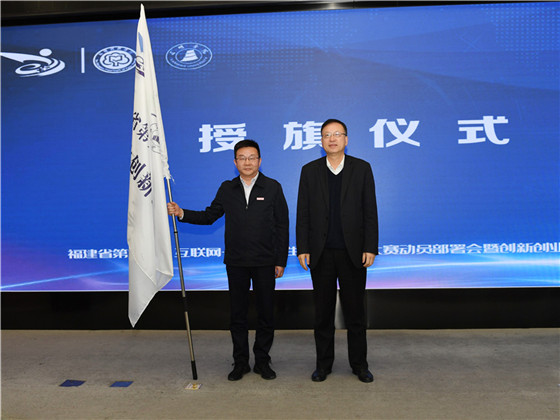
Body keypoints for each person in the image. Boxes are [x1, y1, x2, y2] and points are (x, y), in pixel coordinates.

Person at [167, 139, 289, 381]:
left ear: (260, 161)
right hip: (236, 262)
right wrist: (182, 213)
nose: (247, 162)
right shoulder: (227, 188)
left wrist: (280, 260)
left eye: (252, 157)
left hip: (265, 261)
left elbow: (282, 226)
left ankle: (262, 361)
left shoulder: (273, 187)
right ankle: (240, 362)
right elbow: (209, 216)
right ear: (235, 162)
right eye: (242, 158)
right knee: (238, 315)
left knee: (266, 314)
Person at [296, 118, 379, 383]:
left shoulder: (361, 168)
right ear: (321, 141)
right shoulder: (309, 171)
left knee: (356, 313)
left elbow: (370, 211)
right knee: (322, 314)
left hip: (352, 253)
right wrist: (303, 247)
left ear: (346, 139)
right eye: (326, 135)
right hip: (320, 253)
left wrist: (370, 246)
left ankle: (359, 365)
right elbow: (303, 213)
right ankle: (323, 365)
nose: (332, 139)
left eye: (337, 134)